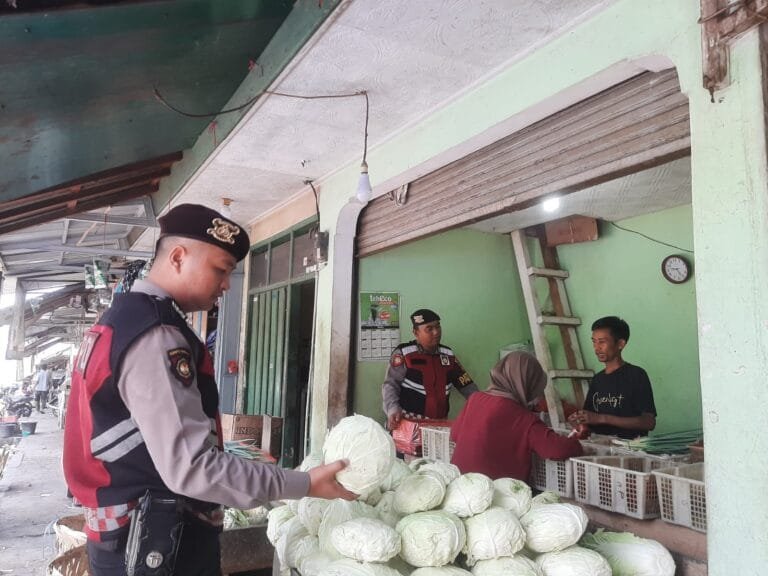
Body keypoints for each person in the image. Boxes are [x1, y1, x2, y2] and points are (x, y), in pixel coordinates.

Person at [63, 204, 355, 576]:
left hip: (131, 537)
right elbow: (193, 467)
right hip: (155, 545)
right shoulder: (155, 335)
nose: (226, 285)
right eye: (221, 269)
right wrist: (303, 483)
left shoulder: (123, 320)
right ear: (178, 257)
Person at [450, 351, 583, 481]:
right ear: (527, 384)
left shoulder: (475, 399)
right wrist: (575, 442)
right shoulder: (523, 417)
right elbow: (556, 450)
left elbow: (454, 434)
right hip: (495, 493)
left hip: (459, 483)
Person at [382, 309, 477, 429]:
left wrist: (482, 404)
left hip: (438, 425)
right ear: (416, 333)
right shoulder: (404, 353)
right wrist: (392, 408)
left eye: (438, 327)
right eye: (429, 329)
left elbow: (466, 384)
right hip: (407, 423)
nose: (436, 332)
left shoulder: (448, 355)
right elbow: (390, 385)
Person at [568, 316, 657, 439]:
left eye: (602, 342)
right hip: (603, 450)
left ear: (620, 344)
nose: (596, 348)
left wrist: (602, 418)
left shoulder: (636, 375)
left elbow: (649, 422)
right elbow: (590, 421)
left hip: (630, 451)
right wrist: (579, 421)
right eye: (594, 341)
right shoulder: (598, 380)